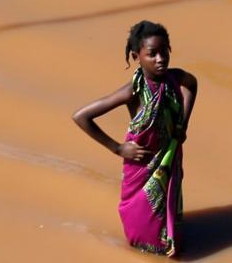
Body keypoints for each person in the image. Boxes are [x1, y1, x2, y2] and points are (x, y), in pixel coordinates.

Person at [72, 20, 197, 257]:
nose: (160, 59)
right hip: (141, 166)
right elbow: (81, 117)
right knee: (142, 235)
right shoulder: (133, 91)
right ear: (136, 56)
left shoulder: (175, 78)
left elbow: (193, 84)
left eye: (164, 52)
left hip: (168, 160)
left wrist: (183, 124)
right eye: (152, 54)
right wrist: (118, 148)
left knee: (170, 223)